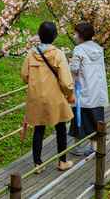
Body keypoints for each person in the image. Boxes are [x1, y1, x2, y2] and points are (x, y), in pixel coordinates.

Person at [21, 21, 75, 173]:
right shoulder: (58, 54)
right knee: (61, 127)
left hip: (36, 97)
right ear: (55, 36)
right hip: (55, 96)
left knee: (39, 129)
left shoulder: (31, 54)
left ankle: (37, 164)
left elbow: (24, 76)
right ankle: (62, 161)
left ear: (39, 35)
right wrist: (70, 95)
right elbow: (66, 81)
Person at [68, 23, 108, 157]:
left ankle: (78, 147)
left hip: (83, 90)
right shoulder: (98, 49)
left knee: (79, 118)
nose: (74, 36)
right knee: (96, 118)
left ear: (81, 35)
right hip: (97, 90)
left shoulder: (79, 49)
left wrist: (69, 63)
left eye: (75, 33)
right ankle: (94, 146)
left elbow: (74, 69)